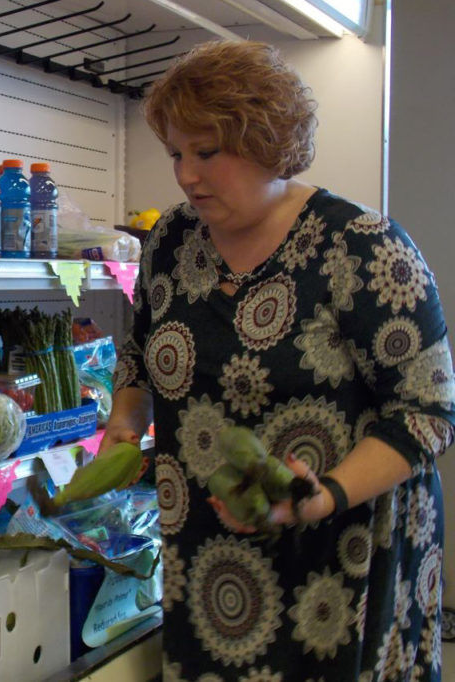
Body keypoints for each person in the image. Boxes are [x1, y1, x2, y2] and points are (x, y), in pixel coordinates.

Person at [103, 40, 454, 681]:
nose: (185, 175)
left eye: (207, 152)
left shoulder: (363, 247)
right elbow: (140, 356)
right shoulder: (171, 240)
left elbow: (428, 413)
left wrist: (324, 496)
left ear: (269, 142)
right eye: (176, 152)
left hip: (341, 556)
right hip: (208, 561)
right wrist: (125, 422)